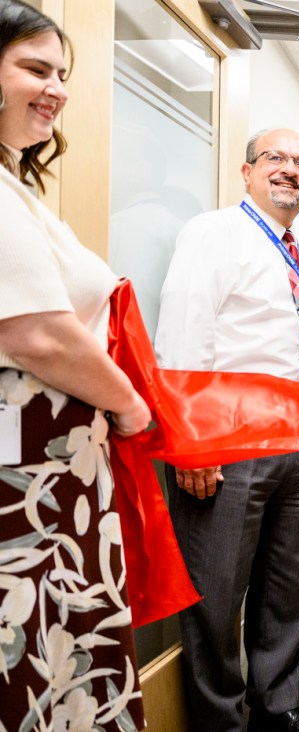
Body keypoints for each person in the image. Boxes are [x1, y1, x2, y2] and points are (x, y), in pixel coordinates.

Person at [0, 3, 152, 728]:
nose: (56, 88)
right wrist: (128, 404)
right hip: (22, 474)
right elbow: (38, 336)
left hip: (56, 475)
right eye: (35, 68)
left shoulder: (20, 189)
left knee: (65, 651)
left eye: (62, 72)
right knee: (31, 653)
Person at [156, 128, 299, 732]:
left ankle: (278, 708)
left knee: (289, 589)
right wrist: (190, 443)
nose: (289, 171)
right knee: (217, 594)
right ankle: (221, 723)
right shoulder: (213, 233)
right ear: (247, 170)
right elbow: (183, 337)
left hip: (295, 443)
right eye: (275, 159)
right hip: (226, 445)